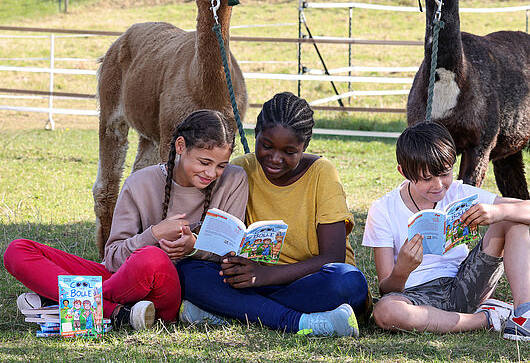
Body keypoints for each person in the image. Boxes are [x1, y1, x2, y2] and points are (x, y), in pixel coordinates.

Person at [4, 110, 248, 331]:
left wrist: (193, 246)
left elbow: (230, 251)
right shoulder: (140, 183)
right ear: (181, 146)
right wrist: (153, 234)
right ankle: (117, 314)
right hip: (123, 282)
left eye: (220, 165)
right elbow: (112, 258)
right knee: (18, 250)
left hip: (166, 291)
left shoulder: (234, 179)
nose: (211, 173)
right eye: (204, 162)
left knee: (152, 258)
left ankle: (62, 300)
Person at [177, 92, 371, 337]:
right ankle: (301, 321)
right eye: (266, 146)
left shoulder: (322, 173)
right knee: (188, 271)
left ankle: (230, 312)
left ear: (304, 146)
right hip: (249, 281)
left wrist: (266, 275)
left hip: (309, 282)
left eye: (289, 152)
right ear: (256, 133)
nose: (275, 158)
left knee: (349, 282)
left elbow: (333, 256)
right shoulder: (239, 169)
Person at [362, 121, 530, 340]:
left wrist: (498, 213)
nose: (439, 185)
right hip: (417, 297)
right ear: (403, 172)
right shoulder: (383, 209)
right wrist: (402, 269)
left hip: (465, 282)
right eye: (427, 178)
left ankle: (524, 313)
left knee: (513, 218)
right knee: (385, 311)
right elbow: (387, 289)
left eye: (445, 173)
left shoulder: (459, 192)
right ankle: (488, 318)